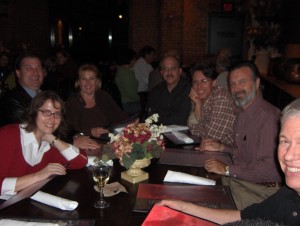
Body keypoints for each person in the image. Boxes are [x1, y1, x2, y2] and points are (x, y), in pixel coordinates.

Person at [159, 98, 300, 226]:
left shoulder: (265, 115)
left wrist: (227, 169)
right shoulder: (288, 195)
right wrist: (183, 207)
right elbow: (242, 216)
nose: (288, 156)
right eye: (285, 141)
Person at [200, 61, 282, 209]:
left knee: (206, 206)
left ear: (257, 83)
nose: (236, 88)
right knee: (196, 190)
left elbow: (271, 169)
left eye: (242, 82)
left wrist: (227, 170)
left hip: (263, 193)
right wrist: (222, 147)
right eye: (232, 84)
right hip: (242, 182)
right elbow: (246, 152)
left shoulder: (269, 118)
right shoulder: (242, 112)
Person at [0, 91, 87, 196]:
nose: (52, 119)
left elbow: (80, 161)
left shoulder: (47, 145)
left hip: (23, 203)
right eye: (46, 112)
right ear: (34, 112)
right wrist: (39, 176)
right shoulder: (8, 135)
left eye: (57, 114)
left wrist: (54, 140)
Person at [65, 64, 127, 151]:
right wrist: (90, 131)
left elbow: (120, 117)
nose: (88, 83)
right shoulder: (72, 102)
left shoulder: (104, 96)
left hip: (108, 142)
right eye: (84, 79)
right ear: (78, 81)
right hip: (86, 145)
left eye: (92, 78)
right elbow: (69, 129)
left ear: (97, 81)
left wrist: (130, 123)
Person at [187, 61, 235, 146]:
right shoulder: (196, 98)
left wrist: (200, 129)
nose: (199, 86)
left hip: (230, 151)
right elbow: (192, 129)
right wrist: (197, 105)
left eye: (204, 81)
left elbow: (210, 137)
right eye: (195, 82)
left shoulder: (221, 98)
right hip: (210, 148)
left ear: (214, 82)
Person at [0, 51, 44, 127]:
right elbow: (30, 129)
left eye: (39, 68)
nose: (35, 73)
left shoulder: (47, 96)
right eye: (28, 68)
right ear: (18, 73)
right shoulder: (11, 101)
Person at [146, 55, 191, 125]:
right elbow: (150, 117)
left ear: (180, 71)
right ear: (161, 73)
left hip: (183, 133)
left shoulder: (189, 90)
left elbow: (182, 119)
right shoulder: (155, 92)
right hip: (159, 132)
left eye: (173, 69)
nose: (169, 72)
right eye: (165, 69)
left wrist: (160, 117)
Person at [115, 48, 140, 116]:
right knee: (151, 107)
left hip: (124, 103)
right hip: (128, 104)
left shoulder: (120, 70)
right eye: (135, 59)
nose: (135, 61)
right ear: (130, 59)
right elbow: (131, 93)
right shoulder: (126, 73)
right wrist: (143, 100)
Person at [133, 45, 156, 119]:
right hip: (142, 93)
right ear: (147, 55)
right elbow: (147, 80)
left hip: (146, 91)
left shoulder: (147, 65)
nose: (154, 57)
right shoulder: (140, 64)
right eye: (152, 55)